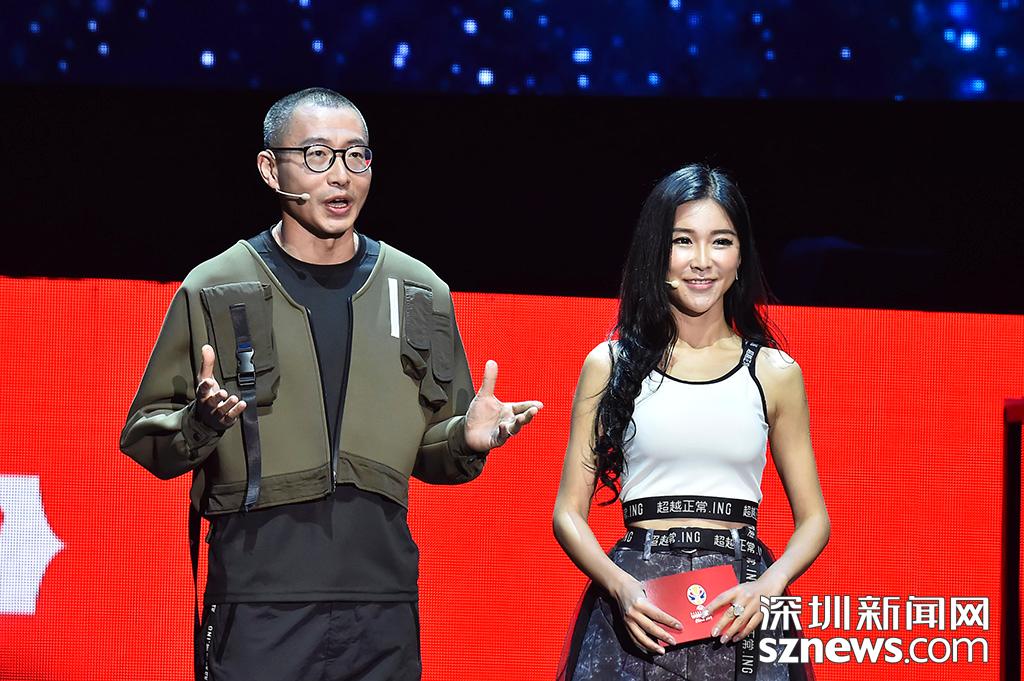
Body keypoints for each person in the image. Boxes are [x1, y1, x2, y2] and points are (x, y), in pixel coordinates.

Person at [119, 87, 542, 681]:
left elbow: (427, 452)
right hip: (259, 603)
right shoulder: (214, 286)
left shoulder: (419, 290)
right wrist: (200, 422)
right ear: (271, 169)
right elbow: (146, 438)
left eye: (356, 155)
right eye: (317, 155)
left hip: (383, 605)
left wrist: (464, 440)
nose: (340, 175)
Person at [553, 164, 829, 680]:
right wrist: (621, 588)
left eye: (721, 241)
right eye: (683, 241)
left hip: (742, 606)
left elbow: (814, 519)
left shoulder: (774, 372)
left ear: (741, 256)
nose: (702, 260)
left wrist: (769, 587)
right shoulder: (609, 364)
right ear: (657, 252)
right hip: (640, 611)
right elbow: (568, 513)